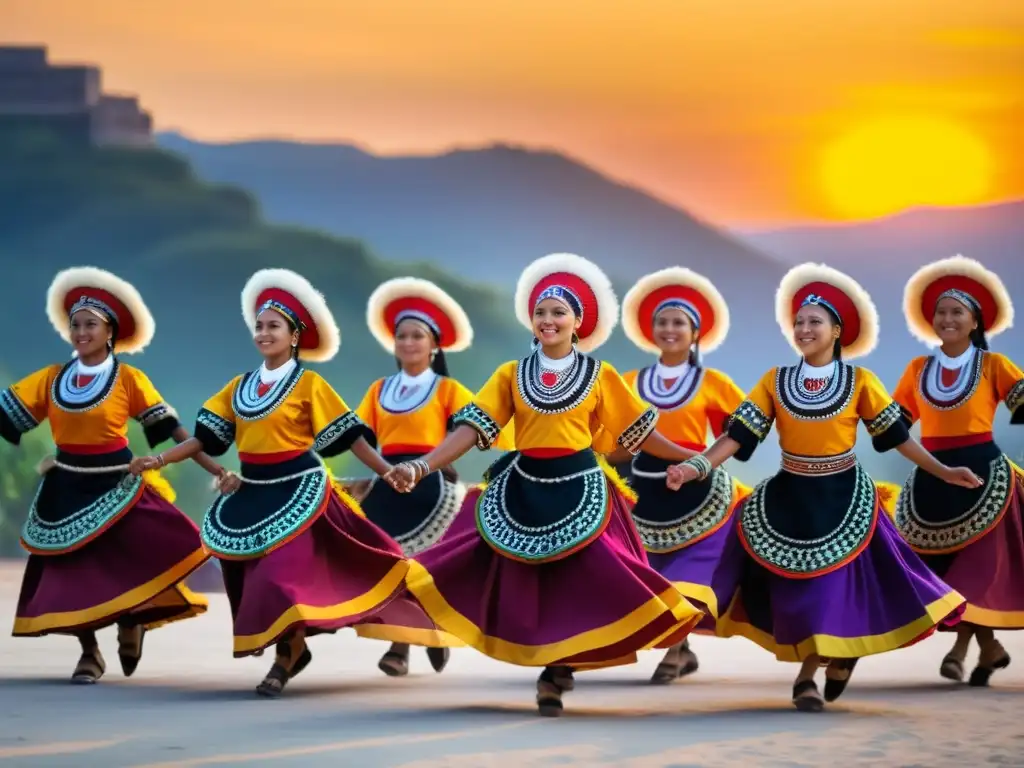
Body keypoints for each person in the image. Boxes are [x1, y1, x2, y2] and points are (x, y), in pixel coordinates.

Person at [386, 252, 705, 717]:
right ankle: (549, 667)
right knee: (506, 575)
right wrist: (421, 466)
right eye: (540, 312)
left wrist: (692, 459)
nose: (548, 319)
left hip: (581, 489)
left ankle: (557, 672)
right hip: (524, 489)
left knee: (588, 577)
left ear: (578, 322)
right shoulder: (511, 375)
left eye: (558, 312)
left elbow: (640, 434)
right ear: (531, 322)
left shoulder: (600, 376)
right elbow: (471, 430)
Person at [666, 262, 979, 712]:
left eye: (815, 321)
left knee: (831, 588)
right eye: (798, 322)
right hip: (790, 497)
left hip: (844, 497)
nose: (804, 328)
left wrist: (943, 471)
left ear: (836, 332)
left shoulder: (860, 383)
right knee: (801, 590)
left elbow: (897, 439)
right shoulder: (775, 381)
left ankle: (811, 674)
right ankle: (825, 662)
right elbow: (737, 437)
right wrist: (695, 467)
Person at [130, 268, 413, 697]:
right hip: (253, 490)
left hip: (300, 489)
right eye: (259, 326)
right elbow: (205, 439)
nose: (263, 333)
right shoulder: (238, 387)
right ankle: (293, 650)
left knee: (280, 576)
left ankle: (284, 661)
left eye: (273, 326)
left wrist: (385, 471)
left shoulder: (310, 384)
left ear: (294, 335)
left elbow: (350, 436)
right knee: (246, 573)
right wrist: (159, 458)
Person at [4, 267, 220, 684]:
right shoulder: (51, 379)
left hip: (118, 482)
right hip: (66, 484)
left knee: (132, 557)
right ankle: (89, 653)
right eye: (76, 325)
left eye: (91, 324)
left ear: (110, 333)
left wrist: (213, 467)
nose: (81, 331)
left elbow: (171, 430)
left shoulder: (128, 380)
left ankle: (131, 622)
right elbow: (6, 413)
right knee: (71, 570)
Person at [354, 277, 512, 677]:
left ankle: (403, 645)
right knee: (384, 563)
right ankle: (421, 633)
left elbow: (478, 430)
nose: (408, 343)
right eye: (401, 336)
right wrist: (368, 474)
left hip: (432, 487)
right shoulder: (378, 390)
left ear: (434, 345)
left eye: (416, 336)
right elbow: (359, 437)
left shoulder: (449, 390)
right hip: (386, 484)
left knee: (419, 566)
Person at [609, 267, 750, 683]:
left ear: (695, 332)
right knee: (646, 570)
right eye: (662, 322)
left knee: (687, 571)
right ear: (650, 330)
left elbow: (740, 433)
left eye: (678, 323)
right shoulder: (629, 382)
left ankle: (674, 651)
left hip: (698, 487)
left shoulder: (714, 382)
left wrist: (703, 463)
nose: (669, 329)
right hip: (641, 488)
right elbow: (612, 441)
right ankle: (679, 647)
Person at [892, 255, 1024, 687]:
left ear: (974, 321)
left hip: (986, 480)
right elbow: (893, 426)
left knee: (974, 572)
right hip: (930, 479)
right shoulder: (917, 370)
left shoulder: (994, 366)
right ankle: (986, 649)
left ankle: (966, 649)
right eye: (941, 313)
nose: (947, 319)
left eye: (957, 313)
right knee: (941, 571)